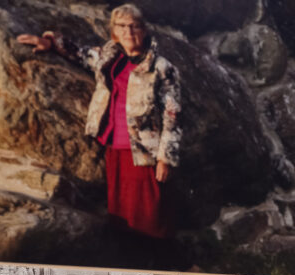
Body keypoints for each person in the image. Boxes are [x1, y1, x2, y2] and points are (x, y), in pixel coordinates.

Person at [17, 3, 181, 238]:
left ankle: (166, 265)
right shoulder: (108, 57)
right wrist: (50, 42)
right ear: (114, 31)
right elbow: (78, 52)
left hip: (145, 150)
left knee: (151, 214)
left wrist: (165, 158)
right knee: (121, 212)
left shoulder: (162, 67)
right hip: (114, 145)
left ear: (144, 30)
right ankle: (131, 262)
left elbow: (172, 114)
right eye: (122, 26)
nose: (128, 31)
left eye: (134, 26)